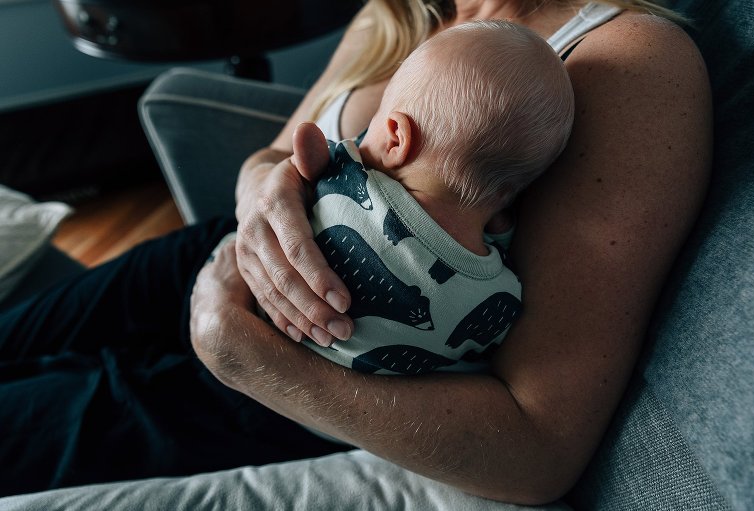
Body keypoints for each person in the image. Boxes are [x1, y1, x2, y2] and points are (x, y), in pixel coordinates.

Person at [0, 0, 712, 505]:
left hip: (279, 383)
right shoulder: (401, 10)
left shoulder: (625, 58)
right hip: (207, 254)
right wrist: (263, 191)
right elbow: (278, 150)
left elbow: (540, 450)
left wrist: (239, 354)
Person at [213, 20, 574, 375]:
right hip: (326, 412)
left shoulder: (348, 175)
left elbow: (297, 162)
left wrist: (297, 167)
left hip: (247, 303)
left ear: (396, 137)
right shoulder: (503, 293)